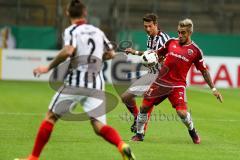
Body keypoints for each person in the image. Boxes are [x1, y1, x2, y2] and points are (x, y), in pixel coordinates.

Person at [15, 1, 135, 160]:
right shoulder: (97, 31)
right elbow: (111, 54)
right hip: (96, 83)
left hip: (76, 82)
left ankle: (33, 157)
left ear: (67, 14)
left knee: (51, 117)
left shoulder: (71, 31)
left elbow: (68, 51)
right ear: (85, 13)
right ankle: (122, 145)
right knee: (99, 126)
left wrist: (48, 67)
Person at [131, 18, 223, 143]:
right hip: (160, 82)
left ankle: (192, 131)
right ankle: (139, 134)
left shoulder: (195, 51)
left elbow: (204, 71)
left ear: (189, 33)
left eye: (183, 33)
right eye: (178, 32)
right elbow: (157, 53)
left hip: (177, 86)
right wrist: (150, 59)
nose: (180, 35)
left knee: (182, 113)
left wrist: (214, 89)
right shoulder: (171, 42)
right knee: (144, 108)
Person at [121, 13, 170, 138]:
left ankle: (140, 133)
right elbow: (150, 54)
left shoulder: (164, 39)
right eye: (145, 26)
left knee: (147, 103)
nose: (147, 29)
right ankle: (138, 119)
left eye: (150, 26)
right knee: (126, 97)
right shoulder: (149, 38)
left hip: (162, 77)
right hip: (151, 74)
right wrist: (135, 52)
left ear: (156, 25)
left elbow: (165, 57)